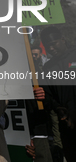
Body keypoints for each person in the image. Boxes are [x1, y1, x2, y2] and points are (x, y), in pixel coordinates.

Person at [40, 26, 76, 161]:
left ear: (63, 39)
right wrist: (58, 109)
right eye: (47, 46)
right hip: (66, 124)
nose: (50, 49)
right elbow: (47, 95)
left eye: (53, 44)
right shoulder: (48, 68)